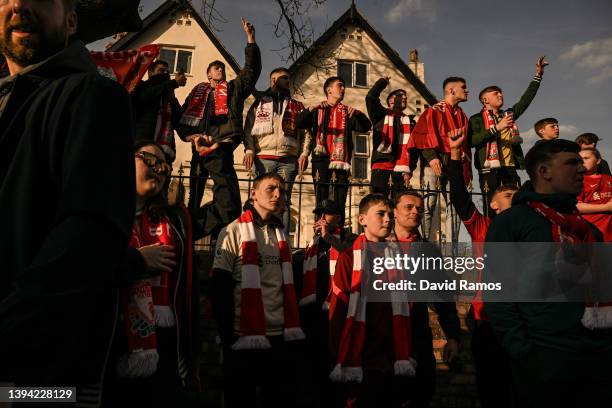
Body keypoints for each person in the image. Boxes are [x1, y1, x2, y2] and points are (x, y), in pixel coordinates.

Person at [0, 0, 135, 395]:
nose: (20, 4)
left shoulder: (93, 95)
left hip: (33, 379)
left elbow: (89, 234)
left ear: (71, 20)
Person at [485, 139, 612, 407]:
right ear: (544, 172)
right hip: (545, 358)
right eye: (571, 163)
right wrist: (523, 351)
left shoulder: (587, 228)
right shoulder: (512, 222)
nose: (581, 170)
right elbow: (498, 291)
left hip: (597, 358)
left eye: (581, 162)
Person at [103, 142, 200, 407]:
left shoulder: (174, 220)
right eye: (150, 160)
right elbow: (85, 270)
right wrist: (139, 260)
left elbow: (224, 210)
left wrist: (215, 157)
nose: (159, 170)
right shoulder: (101, 212)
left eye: (165, 167)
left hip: (164, 342)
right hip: (112, 339)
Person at [209, 172, 306, 408]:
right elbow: (219, 289)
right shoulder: (232, 231)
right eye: (270, 189)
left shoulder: (281, 233)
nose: (277, 194)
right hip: (242, 337)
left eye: (281, 191)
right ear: (253, 194)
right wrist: (227, 338)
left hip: (278, 337)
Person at [447, 130, 519, 408]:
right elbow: (459, 197)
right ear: (493, 203)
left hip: (522, 321)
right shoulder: (482, 227)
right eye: (509, 194)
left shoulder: (530, 230)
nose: (515, 198)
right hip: (488, 322)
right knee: (492, 391)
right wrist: (454, 155)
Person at [177, 18, 261, 237]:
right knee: (194, 197)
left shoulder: (233, 89)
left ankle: (212, 237)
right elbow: (182, 119)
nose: (221, 70)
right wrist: (190, 138)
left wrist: (250, 40)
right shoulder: (198, 94)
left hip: (221, 146)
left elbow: (251, 72)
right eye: (216, 68)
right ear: (208, 75)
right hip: (199, 147)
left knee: (227, 199)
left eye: (223, 68)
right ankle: (186, 237)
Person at [390, 190, 462, 407]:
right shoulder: (374, 243)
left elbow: (443, 294)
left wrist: (453, 336)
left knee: (421, 392)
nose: (416, 212)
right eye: (409, 207)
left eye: (420, 209)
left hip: (416, 333)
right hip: (381, 336)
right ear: (394, 211)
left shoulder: (428, 251)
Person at [469, 56, 549, 211]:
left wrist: (538, 76)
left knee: (516, 204)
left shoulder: (509, 115)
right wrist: (496, 128)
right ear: (485, 100)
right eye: (496, 93)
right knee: (491, 206)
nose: (500, 95)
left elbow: (525, 100)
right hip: (489, 169)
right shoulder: (476, 119)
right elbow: (472, 141)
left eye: (501, 93)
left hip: (510, 166)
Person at [299, 199, 357, 407]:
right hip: (313, 315)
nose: (322, 218)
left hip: (339, 311)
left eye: (328, 214)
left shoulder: (350, 238)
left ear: (339, 218)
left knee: (336, 362)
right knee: (314, 366)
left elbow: (352, 257)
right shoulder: (312, 244)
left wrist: (329, 237)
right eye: (319, 214)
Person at [243, 67, 312, 233]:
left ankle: (281, 241)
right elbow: (248, 128)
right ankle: (257, 237)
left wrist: (304, 153)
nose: (288, 81)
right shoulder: (260, 103)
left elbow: (307, 133)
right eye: (284, 78)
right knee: (260, 200)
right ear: (273, 81)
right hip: (263, 157)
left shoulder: (297, 106)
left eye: (289, 78)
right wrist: (249, 151)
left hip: (288, 159)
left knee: (283, 201)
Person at [295, 76, 372, 214]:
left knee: (340, 200)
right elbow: (298, 123)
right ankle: (320, 230)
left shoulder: (348, 112)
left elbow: (365, 127)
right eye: (340, 85)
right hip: (321, 158)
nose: (343, 89)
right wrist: (312, 107)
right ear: (329, 90)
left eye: (344, 87)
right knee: (321, 198)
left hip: (341, 161)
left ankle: (338, 231)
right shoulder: (318, 109)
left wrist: (359, 114)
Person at [410, 76, 471, 243]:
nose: (467, 90)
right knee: (428, 204)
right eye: (463, 87)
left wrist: (464, 156)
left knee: (454, 206)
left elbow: (466, 143)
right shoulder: (434, 110)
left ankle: (452, 251)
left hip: (454, 163)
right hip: (435, 162)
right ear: (451, 90)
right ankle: (424, 246)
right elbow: (421, 135)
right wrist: (431, 157)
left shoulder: (462, 115)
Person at [366, 76, 416, 197]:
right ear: (391, 101)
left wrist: (410, 170)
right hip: (381, 166)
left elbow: (414, 150)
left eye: (405, 96)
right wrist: (383, 82)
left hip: (401, 170)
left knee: (397, 206)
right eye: (400, 95)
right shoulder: (380, 114)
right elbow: (370, 97)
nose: (404, 97)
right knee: (379, 202)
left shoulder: (410, 122)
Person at [131, 59, 187, 163]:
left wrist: (173, 98)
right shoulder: (142, 86)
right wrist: (174, 83)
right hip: (143, 147)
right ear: (150, 72)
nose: (165, 74)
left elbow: (178, 119)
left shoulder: (167, 94)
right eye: (161, 70)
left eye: (167, 72)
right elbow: (146, 96)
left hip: (165, 151)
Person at [577, 148, 612, 241]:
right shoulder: (578, 181)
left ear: (598, 161)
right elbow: (576, 206)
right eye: (579, 159)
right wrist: (606, 207)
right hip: (592, 232)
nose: (582, 161)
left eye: (586, 158)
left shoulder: (609, 179)